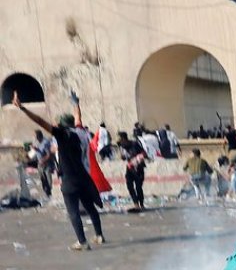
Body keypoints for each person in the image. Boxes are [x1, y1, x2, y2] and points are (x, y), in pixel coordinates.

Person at [11, 93, 105, 249]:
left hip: (69, 179)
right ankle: (99, 235)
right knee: (90, 207)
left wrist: (23, 108)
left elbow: (40, 122)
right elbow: (78, 118)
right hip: (84, 177)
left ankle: (82, 242)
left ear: (61, 125)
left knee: (73, 212)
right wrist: (76, 103)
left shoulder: (62, 135)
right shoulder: (80, 132)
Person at [117, 131, 147, 211]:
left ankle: (141, 205)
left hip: (138, 168)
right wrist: (123, 157)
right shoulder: (122, 147)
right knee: (130, 186)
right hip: (130, 169)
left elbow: (144, 153)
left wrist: (135, 161)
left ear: (124, 139)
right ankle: (136, 204)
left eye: (120, 140)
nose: (120, 142)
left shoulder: (134, 144)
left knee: (138, 187)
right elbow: (124, 157)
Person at [32, 129, 55, 197]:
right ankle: (46, 192)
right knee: (42, 178)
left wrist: (43, 160)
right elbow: (39, 151)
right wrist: (35, 149)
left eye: (35, 136)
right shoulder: (37, 142)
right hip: (40, 163)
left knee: (48, 179)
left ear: (39, 136)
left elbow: (49, 154)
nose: (34, 138)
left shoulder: (46, 143)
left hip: (47, 164)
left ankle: (49, 192)